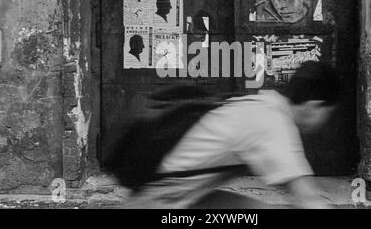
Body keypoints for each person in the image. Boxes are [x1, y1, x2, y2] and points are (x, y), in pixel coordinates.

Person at [120, 61, 341, 209]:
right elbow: (308, 198)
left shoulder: (264, 103)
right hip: (162, 199)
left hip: (180, 193)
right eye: (328, 113)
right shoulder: (273, 123)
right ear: (315, 106)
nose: (326, 120)